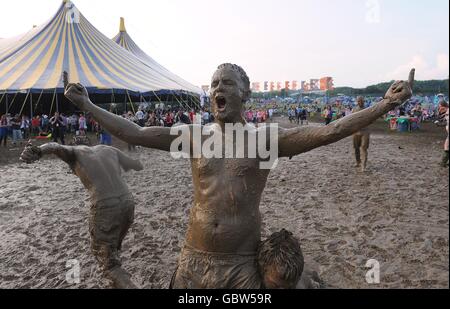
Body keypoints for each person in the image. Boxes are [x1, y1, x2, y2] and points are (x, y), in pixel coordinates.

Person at [64, 65, 414, 289]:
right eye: (214, 83)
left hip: (241, 261)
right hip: (193, 257)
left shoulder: (265, 138)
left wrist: (384, 105)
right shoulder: (194, 135)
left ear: (244, 93)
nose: (219, 88)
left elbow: (328, 132)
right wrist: (88, 106)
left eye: (227, 83)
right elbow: (137, 132)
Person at [20, 142, 143, 289]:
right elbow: (137, 165)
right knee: (113, 248)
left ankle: (120, 278)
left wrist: (38, 150)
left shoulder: (74, 152)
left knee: (109, 266)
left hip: (105, 204)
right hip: (127, 201)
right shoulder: (109, 149)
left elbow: (55, 146)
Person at [352, 96, 371, 172]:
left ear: (364, 101)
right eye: (358, 101)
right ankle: (358, 161)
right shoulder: (354, 109)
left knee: (364, 148)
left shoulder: (367, 110)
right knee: (356, 148)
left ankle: (363, 166)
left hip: (365, 131)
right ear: (357, 101)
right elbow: (350, 119)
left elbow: (371, 119)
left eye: (361, 101)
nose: (360, 102)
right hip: (355, 131)